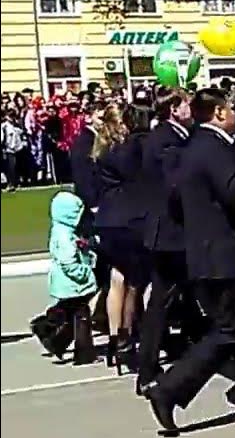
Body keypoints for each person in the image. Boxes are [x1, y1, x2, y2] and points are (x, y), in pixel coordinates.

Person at [141, 88, 235, 435]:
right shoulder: (214, 147)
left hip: (213, 251)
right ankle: (169, 389)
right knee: (229, 329)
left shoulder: (193, 147)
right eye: (232, 110)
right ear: (218, 114)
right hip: (222, 255)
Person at [135, 89, 203, 392]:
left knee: (188, 296)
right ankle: (147, 368)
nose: (192, 108)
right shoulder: (167, 140)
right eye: (187, 103)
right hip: (171, 233)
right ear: (174, 109)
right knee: (162, 302)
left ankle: (199, 350)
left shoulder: (174, 136)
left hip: (173, 231)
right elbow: (176, 185)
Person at [92, 103, 152, 372]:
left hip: (106, 220)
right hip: (129, 218)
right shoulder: (129, 149)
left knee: (117, 280)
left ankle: (115, 339)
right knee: (135, 282)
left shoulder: (101, 149)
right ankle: (127, 340)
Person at [29, 192, 99, 365]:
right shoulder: (65, 236)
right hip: (72, 282)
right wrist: (85, 272)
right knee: (81, 315)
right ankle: (83, 352)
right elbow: (69, 262)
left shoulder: (61, 230)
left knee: (69, 311)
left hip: (65, 282)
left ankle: (54, 339)